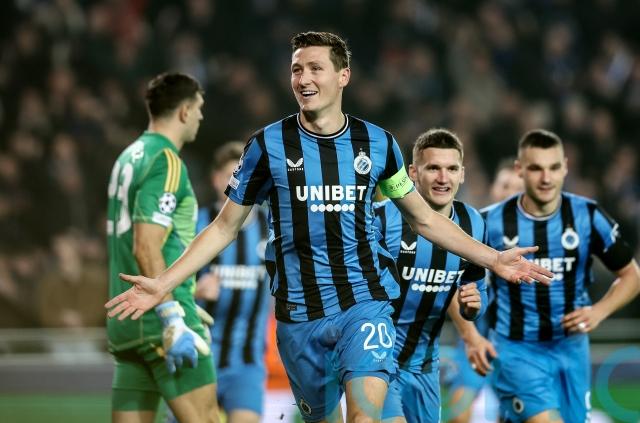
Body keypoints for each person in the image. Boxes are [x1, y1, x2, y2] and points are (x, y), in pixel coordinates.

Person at [106, 32, 552, 423]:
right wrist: (163, 283)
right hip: (298, 318)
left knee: (364, 416)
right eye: (296, 69)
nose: (303, 78)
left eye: (315, 68)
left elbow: (423, 217)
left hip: (365, 304)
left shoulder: (378, 144)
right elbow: (224, 228)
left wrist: (493, 258)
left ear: (343, 76)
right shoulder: (266, 146)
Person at [481, 129, 640, 422]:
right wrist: (469, 330)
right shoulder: (489, 222)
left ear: (565, 167)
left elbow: (632, 275)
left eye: (554, 167)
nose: (546, 178)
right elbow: (457, 278)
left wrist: (599, 311)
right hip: (517, 349)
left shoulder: (588, 216)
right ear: (520, 169)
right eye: (536, 168)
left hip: (571, 348)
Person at [106, 72, 219, 423]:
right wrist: (173, 315)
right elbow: (146, 245)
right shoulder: (166, 161)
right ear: (184, 111)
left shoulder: (128, 157)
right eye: (199, 108)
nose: (201, 116)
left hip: (128, 323)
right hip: (163, 321)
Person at [374, 129, 488, 423]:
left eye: (451, 169)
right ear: (413, 173)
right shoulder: (382, 219)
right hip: (376, 360)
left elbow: (476, 291)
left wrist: (473, 307)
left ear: (462, 174)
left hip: (424, 366)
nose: (443, 178)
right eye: (433, 168)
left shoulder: (473, 224)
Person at [189, 141, 271, 423]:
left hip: (247, 363)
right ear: (215, 180)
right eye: (230, 175)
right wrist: (194, 291)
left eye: (246, 175)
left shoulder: (272, 227)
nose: (239, 182)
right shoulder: (196, 223)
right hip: (198, 358)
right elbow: (167, 283)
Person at [445, 157, 523, 423]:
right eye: (505, 185)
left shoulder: (539, 239)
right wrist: (470, 336)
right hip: (476, 335)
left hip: (519, 345)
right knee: (459, 415)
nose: (509, 193)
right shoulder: (472, 229)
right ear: (493, 188)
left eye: (517, 188)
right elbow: (449, 285)